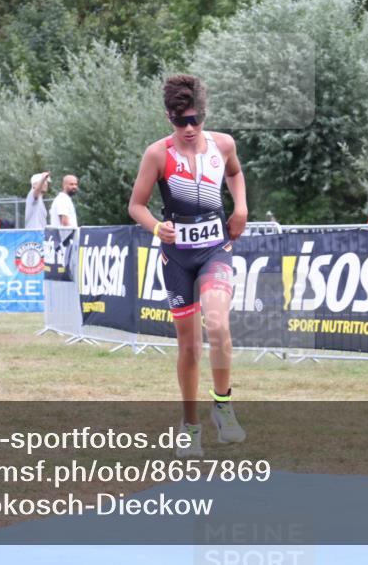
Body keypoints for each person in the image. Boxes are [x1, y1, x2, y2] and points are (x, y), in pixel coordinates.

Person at [128, 74, 248, 457]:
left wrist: (241, 208)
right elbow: (136, 205)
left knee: (218, 323)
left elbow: (234, 172)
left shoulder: (223, 144)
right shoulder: (157, 154)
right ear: (169, 118)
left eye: (196, 119)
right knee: (189, 345)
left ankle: (224, 408)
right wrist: (156, 227)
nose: (191, 128)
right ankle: (190, 426)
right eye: (182, 121)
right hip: (177, 256)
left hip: (215, 250)